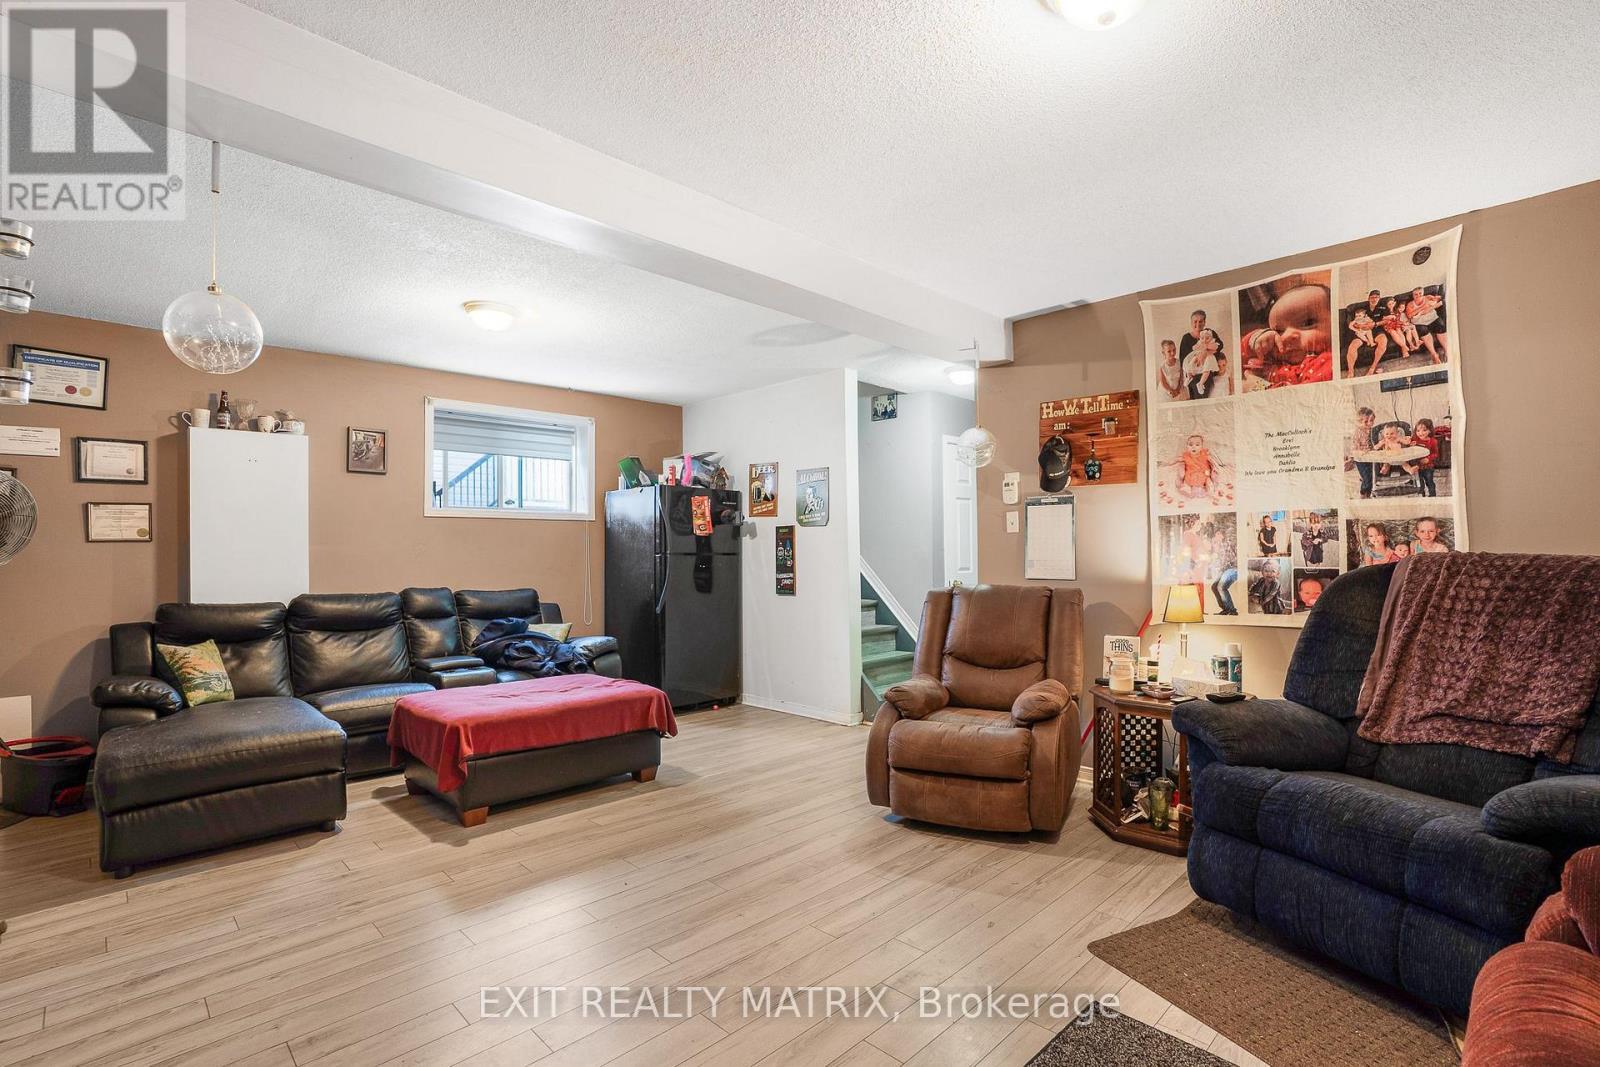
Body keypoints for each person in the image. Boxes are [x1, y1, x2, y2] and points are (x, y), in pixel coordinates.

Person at [1406, 287, 1448, 363]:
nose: (1418, 296)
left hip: (1432, 318)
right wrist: (1423, 307)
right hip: (1420, 322)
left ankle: (1446, 350)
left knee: (1440, 325)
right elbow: (1409, 316)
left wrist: (1435, 300)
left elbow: (1439, 298)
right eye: (1416, 294)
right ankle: (1434, 354)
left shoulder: (1428, 297)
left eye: (1420, 293)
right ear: (1413, 296)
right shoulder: (1410, 304)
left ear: (1423, 293)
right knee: (1423, 330)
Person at [1173, 433, 1219, 500]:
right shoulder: (1186, 456)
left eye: (1197, 445)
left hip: (1204, 472)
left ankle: (1209, 488)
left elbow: (1212, 461)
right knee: (1191, 479)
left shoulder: (1205, 454)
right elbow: (1177, 459)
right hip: (1191, 472)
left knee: (1208, 479)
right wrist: (1167, 463)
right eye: (1190, 444)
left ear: (1201, 446)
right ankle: (1191, 488)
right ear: (1187, 446)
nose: (1193, 447)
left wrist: (1215, 467)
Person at [1183, 328, 1223, 399]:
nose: (1204, 340)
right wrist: (1198, 346)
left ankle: (1201, 383)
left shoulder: (1212, 343)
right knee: (1191, 362)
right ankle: (1189, 376)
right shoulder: (1197, 342)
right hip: (1198, 357)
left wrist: (1206, 346)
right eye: (1202, 338)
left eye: (1207, 338)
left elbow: (1215, 347)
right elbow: (1194, 348)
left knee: (1206, 370)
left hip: (1208, 358)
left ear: (1211, 338)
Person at [1349, 406, 1377, 498]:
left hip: (1370, 457)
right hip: (1361, 459)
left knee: (1372, 476)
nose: (1369, 423)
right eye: (1366, 421)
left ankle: (1368, 494)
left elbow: (1373, 443)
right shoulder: (1357, 432)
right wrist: (1360, 452)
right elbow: (1354, 448)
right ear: (1359, 422)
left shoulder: (1372, 430)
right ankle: (1362, 493)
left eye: (1372, 420)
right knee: (1366, 477)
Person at [1210, 526, 1238, 616]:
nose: (1215, 539)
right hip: (1226, 568)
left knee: (1221, 587)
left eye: (1218, 535)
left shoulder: (1225, 544)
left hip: (1233, 568)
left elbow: (1225, 561)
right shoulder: (1218, 545)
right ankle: (1225, 608)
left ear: (1220, 535)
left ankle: (1232, 610)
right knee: (1214, 586)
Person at [1411, 417, 1440, 497]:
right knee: (1420, 483)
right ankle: (1422, 496)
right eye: (1418, 431)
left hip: (1428, 467)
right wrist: (1410, 444)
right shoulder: (1415, 440)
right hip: (1417, 467)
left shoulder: (1433, 441)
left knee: (1429, 482)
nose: (1421, 433)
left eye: (1424, 430)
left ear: (1429, 430)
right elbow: (1410, 449)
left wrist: (1428, 459)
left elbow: (1435, 454)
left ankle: (1432, 495)